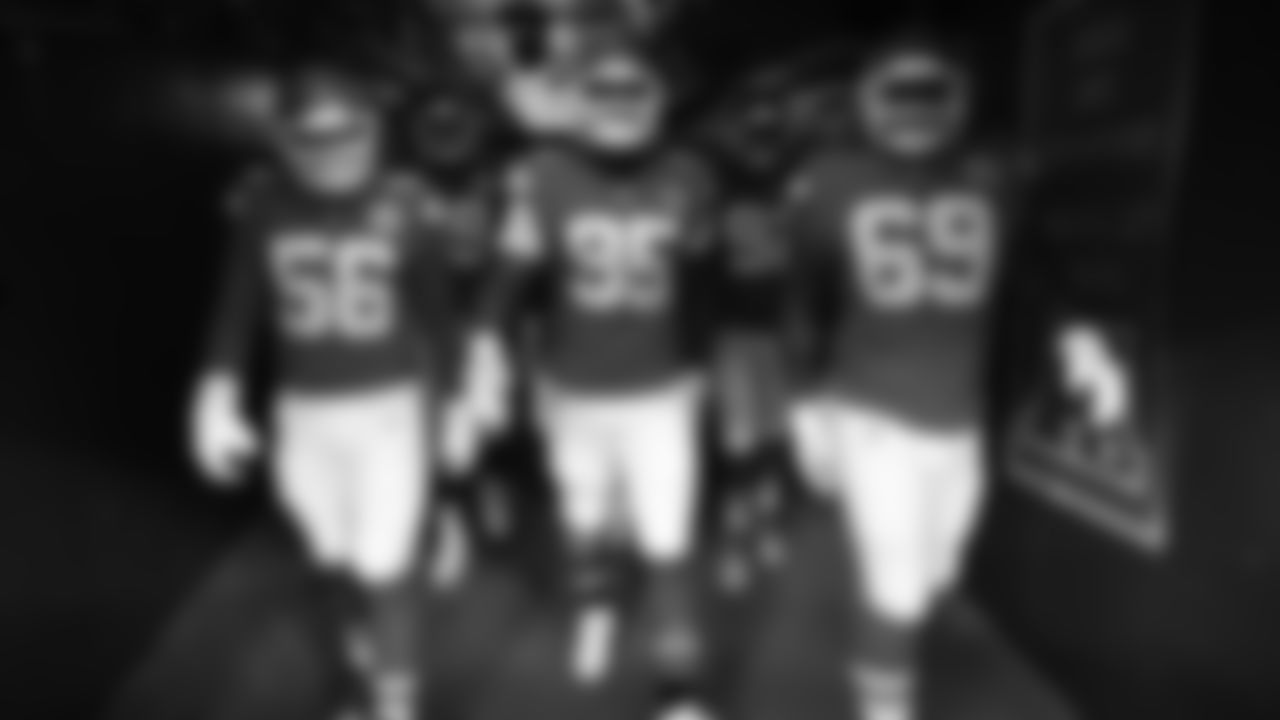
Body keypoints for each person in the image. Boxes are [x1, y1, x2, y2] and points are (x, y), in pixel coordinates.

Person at [454, 48, 722, 718]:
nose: (621, 108)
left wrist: (702, 365)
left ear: (659, 99)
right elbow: (510, 274)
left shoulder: (688, 176)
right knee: (583, 519)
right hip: (572, 388)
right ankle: (595, 608)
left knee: (668, 538)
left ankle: (679, 690)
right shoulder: (544, 175)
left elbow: (703, 283)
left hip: (659, 390)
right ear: (582, 103)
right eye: (606, 94)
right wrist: (484, 343)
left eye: (635, 93)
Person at [189, 65, 458, 720]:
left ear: (374, 130)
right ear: (284, 140)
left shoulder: (408, 202)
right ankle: (352, 672)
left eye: (347, 132)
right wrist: (216, 389)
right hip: (303, 412)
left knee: (386, 563)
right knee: (329, 558)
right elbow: (239, 303)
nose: (333, 149)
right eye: (314, 137)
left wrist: (454, 401)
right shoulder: (262, 204)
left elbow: (436, 314)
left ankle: (397, 701)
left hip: (389, 409)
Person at [780, 35, 1010, 720]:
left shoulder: (994, 176)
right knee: (897, 588)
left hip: (959, 418)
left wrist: (1079, 333)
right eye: (898, 94)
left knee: (938, 573)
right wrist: (802, 403)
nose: (914, 112)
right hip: (871, 411)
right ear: (868, 99)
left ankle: (885, 654)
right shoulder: (830, 180)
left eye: (928, 94)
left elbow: (1035, 267)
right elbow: (801, 300)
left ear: (959, 96)